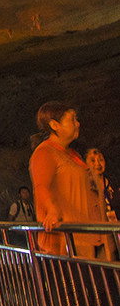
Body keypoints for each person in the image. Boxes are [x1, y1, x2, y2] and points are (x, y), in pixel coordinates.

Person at [28, 102, 102, 257]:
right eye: (72, 120)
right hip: (64, 242)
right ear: (55, 125)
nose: (78, 123)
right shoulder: (45, 152)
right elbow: (41, 186)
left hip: (84, 237)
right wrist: (52, 210)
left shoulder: (73, 155)